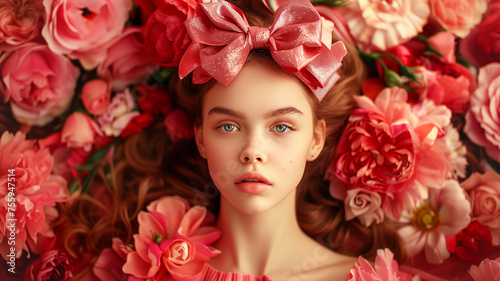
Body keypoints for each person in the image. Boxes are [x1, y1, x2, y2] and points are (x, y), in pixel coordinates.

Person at [59, 0, 406, 280]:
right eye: (228, 126)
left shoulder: (365, 277)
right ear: (200, 137)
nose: (252, 152)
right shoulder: (142, 271)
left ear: (316, 140)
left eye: (281, 127)